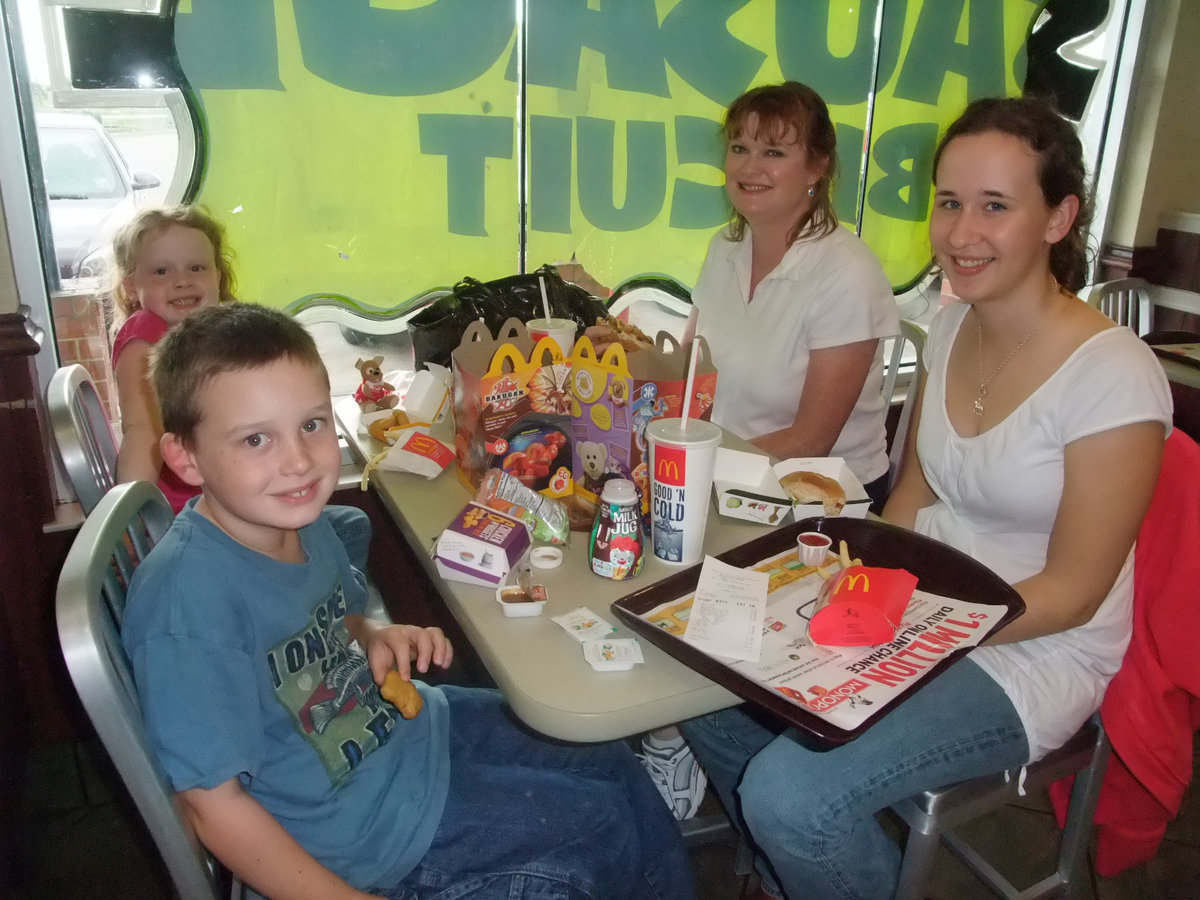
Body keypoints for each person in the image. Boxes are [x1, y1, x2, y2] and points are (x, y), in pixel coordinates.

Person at [678, 95, 1173, 900]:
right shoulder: (951, 326)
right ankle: (802, 872)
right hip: (920, 599)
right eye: (949, 203)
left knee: (791, 797)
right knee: (698, 672)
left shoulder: (1113, 376)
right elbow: (912, 492)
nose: (961, 232)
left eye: (995, 206)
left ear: (1059, 217)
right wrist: (859, 585)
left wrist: (912, 624)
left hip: (1030, 651)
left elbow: (1076, 593)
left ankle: (811, 846)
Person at [120, 302, 696, 900]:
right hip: (365, 835)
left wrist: (370, 635)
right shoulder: (187, 607)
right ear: (185, 457)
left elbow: (327, 616)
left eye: (312, 424)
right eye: (256, 439)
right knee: (598, 830)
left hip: (405, 736)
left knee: (608, 761)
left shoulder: (295, 518)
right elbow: (212, 807)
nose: (297, 460)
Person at [633, 80, 901, 826]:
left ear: (817, 167)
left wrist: (690, 465)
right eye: (741, 147)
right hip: (733, 472)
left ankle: (675, 729)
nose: (750, 165)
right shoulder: (726, 247)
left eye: (775, 150)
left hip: (822, 502)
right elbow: (695, 371)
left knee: (673, 565)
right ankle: (675, 721)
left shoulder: (846, 271)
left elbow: (814, 439)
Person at [110, 205, 234, 512]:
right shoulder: (146, 335)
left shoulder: (208, 334)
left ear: (217, 277)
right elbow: (141, 431)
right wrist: (133, 513)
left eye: (196, 268)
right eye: (162, 271)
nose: (182, 281)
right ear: (131, 287)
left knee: (348, 523)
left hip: (225, 493)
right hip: (186, 512)